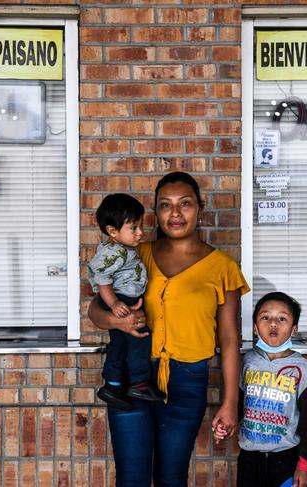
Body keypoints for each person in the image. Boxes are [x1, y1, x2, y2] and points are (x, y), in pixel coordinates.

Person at [88, 171, 250, 487]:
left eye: (185, 204)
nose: (175, 214)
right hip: (133, 378)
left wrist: (230, 402)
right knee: (132, 479)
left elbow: (229, 339)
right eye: (165, 205)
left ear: (200, 208)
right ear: (156, 212)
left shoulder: (223, 268)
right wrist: (117, 321)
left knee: (171, 478)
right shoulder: (135, 254)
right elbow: (96, 310)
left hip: (187, 382)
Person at [214, 291, 307, 487]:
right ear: (255, 328)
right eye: (266, 317)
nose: (273, 323)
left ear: (294, 329)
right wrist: (225, 425)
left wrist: (306, 464)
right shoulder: (247, 363)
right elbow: (236, 404)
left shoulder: (302, 369)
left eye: (282, 318)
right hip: (249, 458)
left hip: (285, 459)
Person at [88, 193, 164, 411]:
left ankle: (112, 385)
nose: (140, 232)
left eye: (140, 226)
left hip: (123, 299)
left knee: (120, 345)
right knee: (140, 338)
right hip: (120, 299)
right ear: (113, 231)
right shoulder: (113, 252)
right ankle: (140, 382)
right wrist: (113, 303)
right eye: (134, 228)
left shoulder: (124, 249)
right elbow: (101, 277)